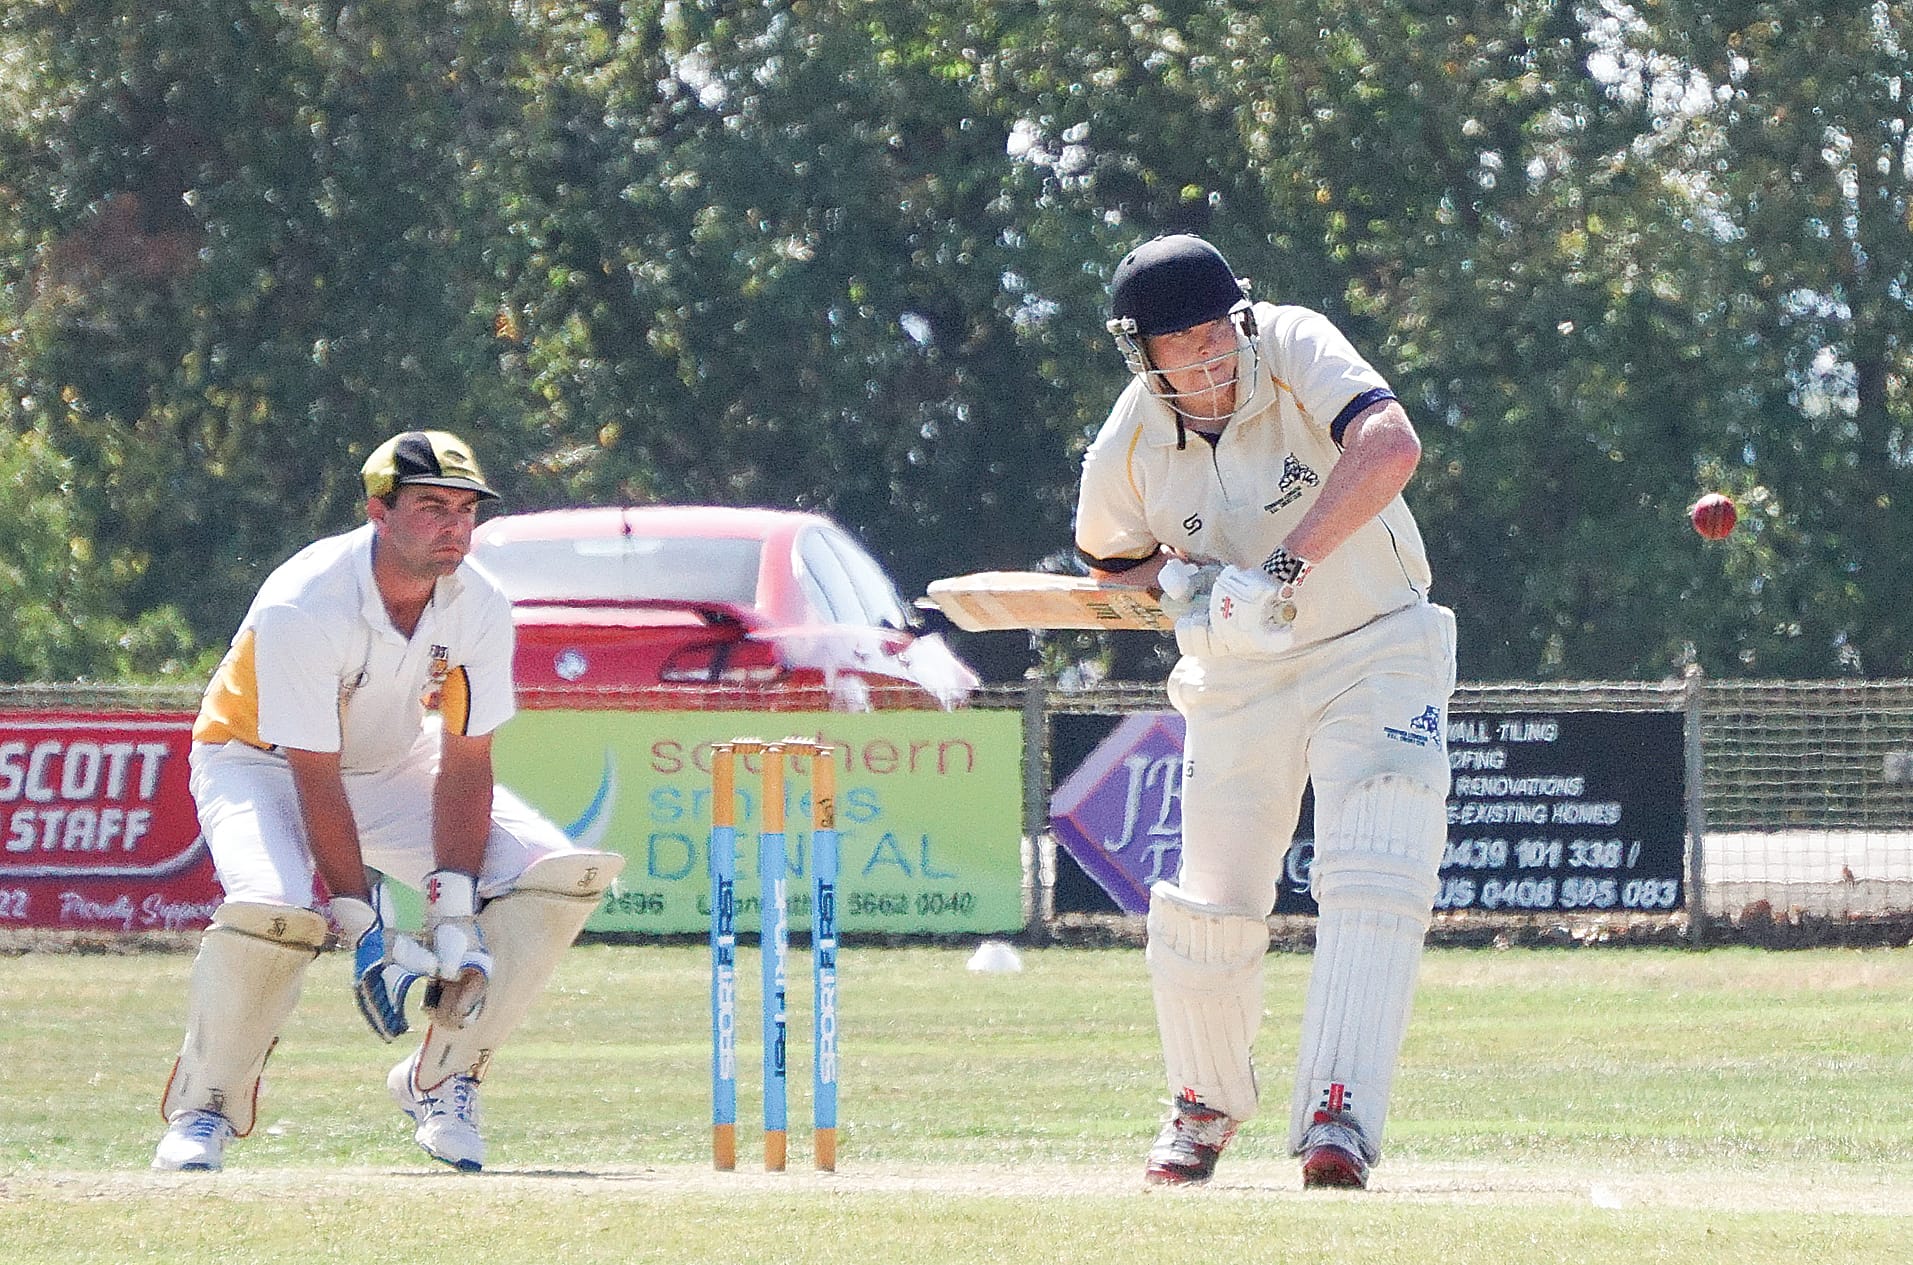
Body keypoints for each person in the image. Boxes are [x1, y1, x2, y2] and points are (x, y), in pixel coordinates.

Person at [1074, 234, 1456, 1189]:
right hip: (1240, 674)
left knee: (1378, 852)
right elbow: (1111, 560)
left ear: (1240, 320)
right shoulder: (1129, 444)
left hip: (1375, 640)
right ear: (1143, 354)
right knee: (1210, 896)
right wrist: (1186, 584)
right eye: (1178, 344)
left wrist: (1282, 567)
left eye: (1214, 332)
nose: (1204, 358)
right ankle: (1201, 1105)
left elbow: (1389, 443)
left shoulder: (1291, 347)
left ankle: (1340, 1116)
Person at [152, 429, 624, 1174]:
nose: (453, 526)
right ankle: (205, 1102)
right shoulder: (305, 602)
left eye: (466, 509)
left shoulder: (479, 601)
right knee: (270, 909)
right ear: (378, 511)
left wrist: (456, 914)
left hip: (392, 759)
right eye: (432, 506)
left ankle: (443, 1076)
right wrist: (362, 923)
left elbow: (467, 760)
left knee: (561, 875)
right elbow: (315, 773)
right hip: (255, 761)